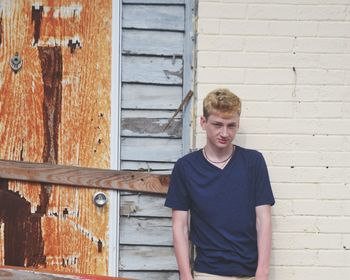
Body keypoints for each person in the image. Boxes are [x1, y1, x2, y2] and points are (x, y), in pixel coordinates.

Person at [165, 88, 275, 280]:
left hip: (249, 273)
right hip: (208, 272)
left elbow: (263, 220)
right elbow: (180, 225)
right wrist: (185, 274)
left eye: (231, 125)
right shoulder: (186, 167)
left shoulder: (253, 162)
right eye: (217, 124)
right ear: (203, 122)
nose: (225, 133)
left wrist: (263, 272)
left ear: (238, 124)